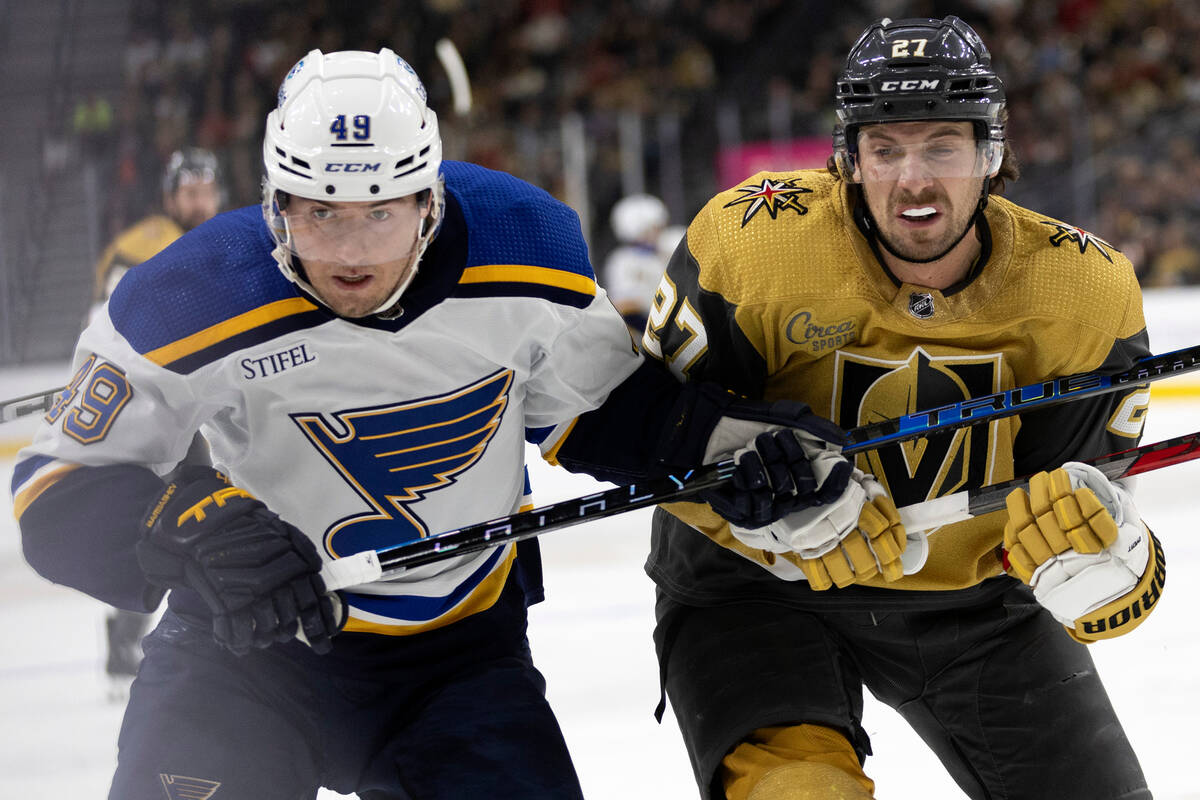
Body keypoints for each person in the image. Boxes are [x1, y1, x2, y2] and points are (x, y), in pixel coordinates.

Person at [12, 48, 860, 799]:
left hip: (457, 659)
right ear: (274, 202)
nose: (351, 252)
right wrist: (187, 524)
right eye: (319, 212)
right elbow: (55, 493)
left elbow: (601, 410)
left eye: (381, 212)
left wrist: (732, 448)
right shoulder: (187, 293)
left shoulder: (527, 245)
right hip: (243, 655)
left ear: (430, 199)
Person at [644, 16, 1161, 800]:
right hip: (755, 588)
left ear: (991, 153)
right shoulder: (753, 244)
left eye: (942, 147)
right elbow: (653, 430)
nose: (912, 179)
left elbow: (1096, 500)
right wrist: (746, 503)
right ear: (848, 159)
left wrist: (1110, 566)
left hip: (978, 605)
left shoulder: (1083, 292)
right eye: (885, 149)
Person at [89, 146, 223, 692]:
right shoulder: (137, 247)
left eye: (206, 189)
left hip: (212, 405)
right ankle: (129, 636)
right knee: (175, 524)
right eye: (188, 191)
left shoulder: (231, 239)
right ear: (169, 196)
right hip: (157, 412)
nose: (199, 200)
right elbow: (109, 328)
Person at [91, 147, 222, 316]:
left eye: (208, 193)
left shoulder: (223, 242)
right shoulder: (142, 246)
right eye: (191, 194)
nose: (200, 204)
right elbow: (107, 321)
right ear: (170, 199)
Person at [603, 192, 672, 333]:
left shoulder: (669, 247)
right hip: (645, 329)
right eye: (653, 227)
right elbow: (624, 305)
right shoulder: (622, 261)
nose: (658, 232)